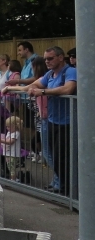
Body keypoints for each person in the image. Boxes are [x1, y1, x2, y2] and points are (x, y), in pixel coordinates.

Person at [27, 47, 76, 194]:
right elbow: (35, 84)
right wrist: (30, 88)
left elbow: (68, 89)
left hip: (67, 122)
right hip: (53, 120)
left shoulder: (70, 71)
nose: (47, 61)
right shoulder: (50, 74)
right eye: (45, 59)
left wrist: (43, 91)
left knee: (63, 158)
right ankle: (63, 188)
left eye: (50, 58)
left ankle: (69, 192)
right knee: (54, 157)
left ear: (61, 57)